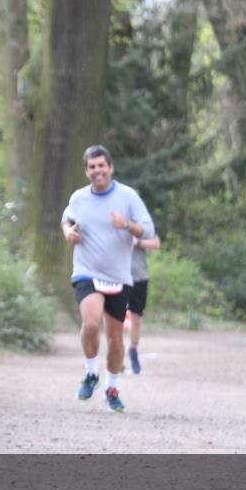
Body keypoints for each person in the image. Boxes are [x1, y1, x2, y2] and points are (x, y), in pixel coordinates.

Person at [61, 145, 154, 412]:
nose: (97, 171)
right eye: (92, 167)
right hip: (86, 270)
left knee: (115, 339)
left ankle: (111, 387)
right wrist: (69, 233)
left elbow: (147, 231)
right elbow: (66, 220)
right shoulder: (79, 198)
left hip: (119, 276)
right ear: (87, 171)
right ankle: (91, 372)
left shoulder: (128, 196)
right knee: (90, 323)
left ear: (110, 168)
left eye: (102, 165)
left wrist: (126, 224)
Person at [125, 233, 161, 374]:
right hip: (117, 276)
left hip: (139, 277)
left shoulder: (141, 223)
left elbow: (156, 243)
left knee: (136, 319)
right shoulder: (112, 220)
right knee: (113, 317)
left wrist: (138, 242)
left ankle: (133, 350)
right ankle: (116, 354)